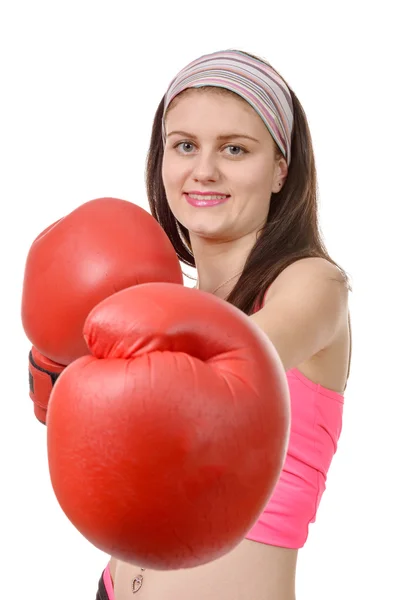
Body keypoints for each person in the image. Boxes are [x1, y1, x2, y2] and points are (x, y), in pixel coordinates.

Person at [96, 48, 352, 599]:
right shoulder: (170, 304)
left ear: (281, 169)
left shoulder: (311, 285)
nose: (203, 170)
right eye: (184, 145)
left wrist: (99, 361)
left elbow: (234, 363)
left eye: (234, 149)